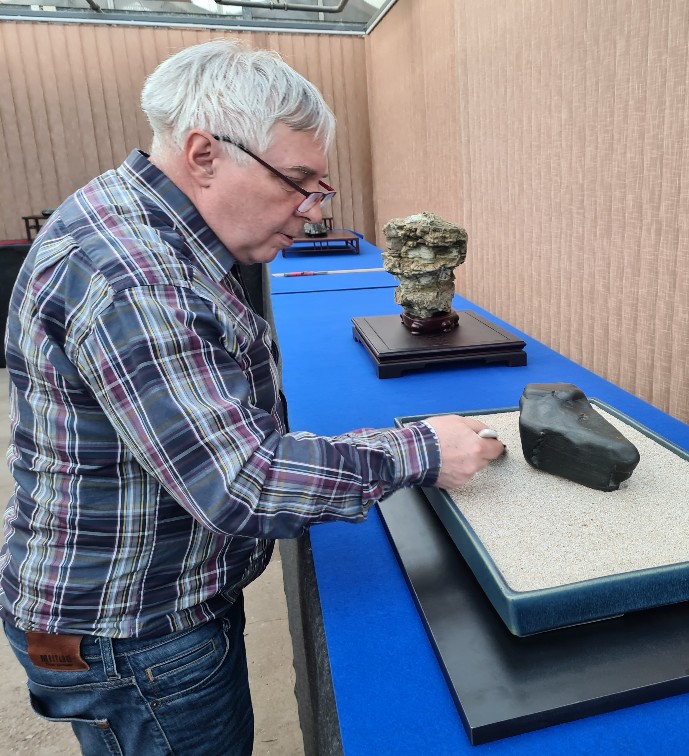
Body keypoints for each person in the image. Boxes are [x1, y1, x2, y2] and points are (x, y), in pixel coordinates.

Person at [0, 39, 504, 755]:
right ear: (204, 154)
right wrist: (422, 449)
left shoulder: (140, 224)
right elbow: (244, 482)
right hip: (139, 631)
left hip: (132, 603)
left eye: (319, 187)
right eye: (296, 181)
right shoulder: (138, 279)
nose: (311, 211)